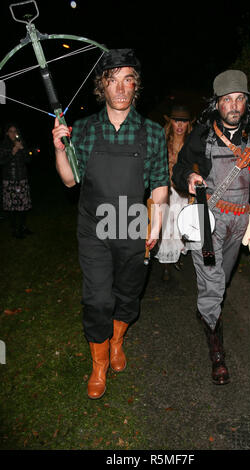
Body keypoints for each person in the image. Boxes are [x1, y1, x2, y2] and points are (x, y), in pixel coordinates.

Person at [52, 49, 169, 399]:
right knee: (98, 299)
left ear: (136, 86)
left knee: (128, 295)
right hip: (94, 224)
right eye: (112, 79)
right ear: (102, 86)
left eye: (127, 79)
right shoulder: (85, 129)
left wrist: (157, 222)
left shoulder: (151, 132)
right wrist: (60, 148)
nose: (120, 87)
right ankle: (99, 364)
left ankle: (117, 341)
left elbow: (160, 184)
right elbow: (70, 180)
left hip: (133, 220)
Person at [172, 70, 250, 385]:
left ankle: (208, 312)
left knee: (223, 275)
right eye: (226, 100)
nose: (233, 105)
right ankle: (216, 351)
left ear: (246, 102)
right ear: (217, 104)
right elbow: (180, 168)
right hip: (207, 220)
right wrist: (189, 179)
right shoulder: (202, 134)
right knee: (212, 281)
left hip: (240, 221)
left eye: (239, 99)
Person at [155, 104, 193, 280]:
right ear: (171, 122)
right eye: (176, 121)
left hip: (183, 192)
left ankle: (175, 256)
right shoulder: (162, 140)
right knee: (164, 228)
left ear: (188, 124)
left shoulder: (192, 143)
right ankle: (165, 266)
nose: (179, 125)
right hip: (164, 189)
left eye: (183, 122)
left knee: (179, 228)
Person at [0, 123, 32, 238]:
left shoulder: (21, 143)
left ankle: (22, 226)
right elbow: (1, 161)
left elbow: (29, 160)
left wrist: (23, 150)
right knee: (12, 207)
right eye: (11, 131)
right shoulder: (4, 145)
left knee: (24, 206)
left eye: (15, 131)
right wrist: (12, 152)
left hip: (22, 179)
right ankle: (14, 229)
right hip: (10, 180)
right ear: (7, 133)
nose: (13, 134)